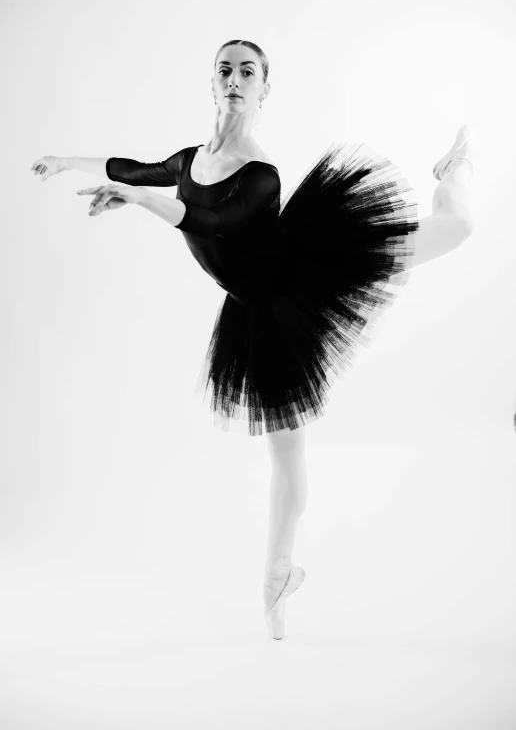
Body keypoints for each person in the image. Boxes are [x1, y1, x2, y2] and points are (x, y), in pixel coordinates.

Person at [30, 39, 477, 640]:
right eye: (225, 69)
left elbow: (210, 222)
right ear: (211, 82)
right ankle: (277, 575)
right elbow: (129, 168)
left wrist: (141, 202)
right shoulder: (190, 159)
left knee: (457, 227)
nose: (235, 79)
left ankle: (454, 172)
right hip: (257, 310)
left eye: (248, 72)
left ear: (264, 90)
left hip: (314, 270)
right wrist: (67, 161)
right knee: (285, 452)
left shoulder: (262, 173)